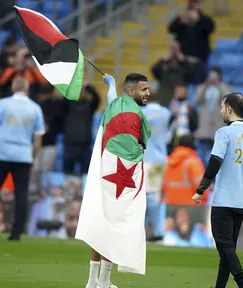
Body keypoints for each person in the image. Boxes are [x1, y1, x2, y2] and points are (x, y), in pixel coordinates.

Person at [76, 73, 151, 288]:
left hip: (106, 169)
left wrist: (109, 84)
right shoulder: (134, 113)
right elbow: (136, 147)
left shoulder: (116, 105)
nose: (148, 93)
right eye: (143, 89)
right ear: (130, 91)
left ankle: (93, 281)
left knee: (102, 218)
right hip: (124, 174)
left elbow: (111, 99)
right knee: (116, 221)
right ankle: (104, 281)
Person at [192, 93, 243, 288]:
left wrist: (200, 189)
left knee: (223, 245)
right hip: (241, 202)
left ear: (230, 109)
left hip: (224, 200)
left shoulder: (224, 133)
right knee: (228, 248)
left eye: (222, 107)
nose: (220, 111)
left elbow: (215, 162)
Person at [0, 78, 45, 241]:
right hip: (23, 155)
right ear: (27, 88)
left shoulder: (3, 104)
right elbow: (38, 139)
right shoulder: (35, 108)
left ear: (12, 87)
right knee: (21, 194)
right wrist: (33, 156)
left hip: (2, 153)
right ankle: (16, 232)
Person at [142, 88, 171, 241]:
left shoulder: (143, 113)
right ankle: (157, 229)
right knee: (158, 195)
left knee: (148, 196)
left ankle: (148, 229)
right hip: (162, 159)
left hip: (148, 159)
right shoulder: (166, 113)